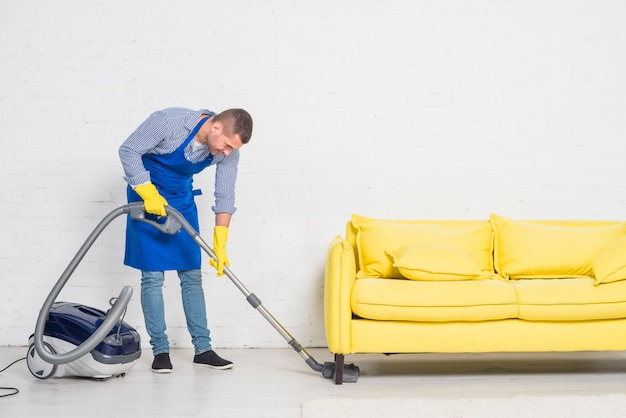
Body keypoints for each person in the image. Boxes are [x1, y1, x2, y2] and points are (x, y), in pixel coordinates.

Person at [119, 107, 253, 373]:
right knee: (153, 277)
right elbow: (129, 150)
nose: (227, 152)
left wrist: (221, 239)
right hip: (147, 199)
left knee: (192, 274)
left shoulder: (227, 152)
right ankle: (160, 351)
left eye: (232, 149)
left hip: (181, 200)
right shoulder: (169, 122)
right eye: (226, 145)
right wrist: (147, 192)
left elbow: (225, 194)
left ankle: (203, 349)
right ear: (216, 127)